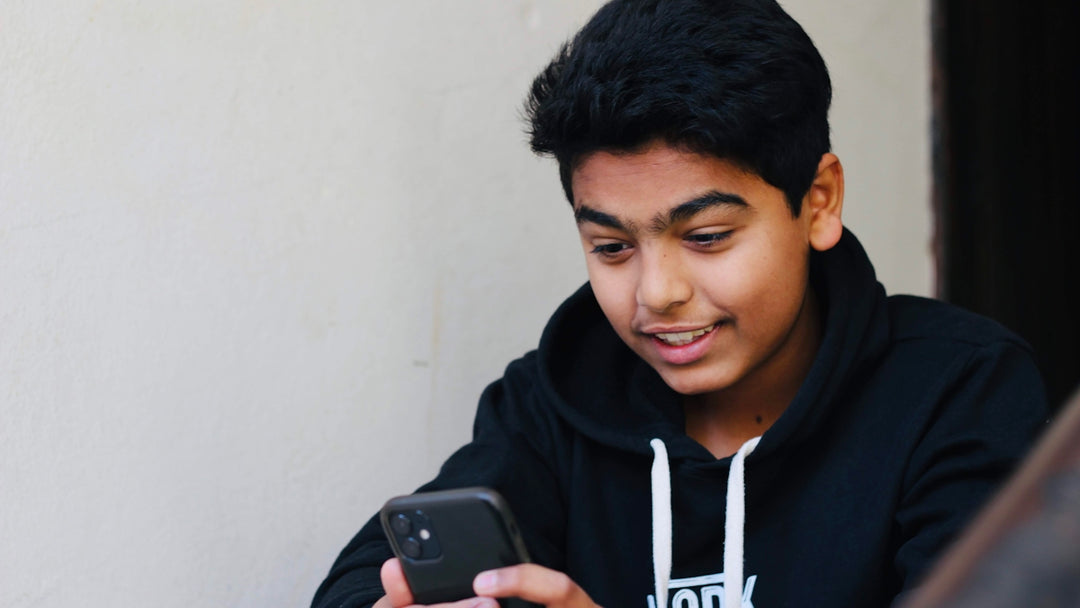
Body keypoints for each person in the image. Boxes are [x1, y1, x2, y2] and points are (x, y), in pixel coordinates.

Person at [312, 1, 1048, 606]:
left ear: (817, 202)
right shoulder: (552, 404)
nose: (657, 293)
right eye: (611, 248)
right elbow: (352, 586)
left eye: (706, 235)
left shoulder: (956, 390)